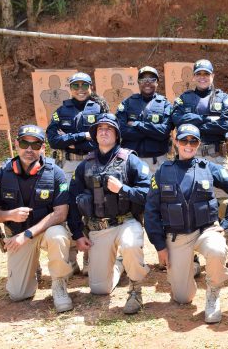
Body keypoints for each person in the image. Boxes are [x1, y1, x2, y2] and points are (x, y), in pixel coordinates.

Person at [144, 124, 228, 324]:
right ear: (176, 142)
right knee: (183, 298)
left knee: (217, 249)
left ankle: (213, 291)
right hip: (177, 236)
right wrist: (160, 246)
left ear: (198, 145)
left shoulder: (208, 168)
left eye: (193, 141)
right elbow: (151, 210)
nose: (188, 145)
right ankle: (185, 280)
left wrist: (227, 222)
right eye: (184, 140)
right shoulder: (163, 172)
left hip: (205, 229)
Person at [68, 114, 151, 315]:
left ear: (117, 135)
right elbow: (71, 201)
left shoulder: (130, 160)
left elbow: (147, 194)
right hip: (98, 228)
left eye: (109, 129)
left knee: (131, 245)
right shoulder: (84, 165)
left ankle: (135, 289)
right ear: (95, 135)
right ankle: (121, 265)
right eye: (100, 129)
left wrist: (123, 189)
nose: (104, 132)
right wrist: (78, 234)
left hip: (126, 222)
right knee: (99, 289)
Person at [0, 125, 73, 312]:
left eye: (36, 145)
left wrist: (27, 233)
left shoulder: (55, 173)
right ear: (17, 144)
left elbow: (61, 213)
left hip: (42, 232)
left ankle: (59, 285)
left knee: (58, 234)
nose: (29, 149)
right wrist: (9, 215)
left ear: (43, 148)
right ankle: (34, 270)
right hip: (17, 234)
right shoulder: (1, 174)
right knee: (18, 294)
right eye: (25, 143)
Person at [171, 59, 228, 271]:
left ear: (212, 76)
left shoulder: (223, 98)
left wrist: (195, 120)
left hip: (216, 157)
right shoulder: (184, 99)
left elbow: (224, 125)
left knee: (223, 201)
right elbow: (177, 120)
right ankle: (192, 256)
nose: (202, 77)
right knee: (189, 202)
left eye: (206, 74)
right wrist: (207, 120)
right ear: (193, 76)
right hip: (189, 155)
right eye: (199, 73)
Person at [46, 71, 108, 275]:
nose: (80, 89)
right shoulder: (61, 111)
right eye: (76, 86)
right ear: (70, 88)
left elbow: (105, 137)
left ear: (91, 87)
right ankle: (70, 259)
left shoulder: (100, 108)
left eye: (84, 85)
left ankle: (91, 258)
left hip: (93, 163)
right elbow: (53, 140)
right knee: (67, 206)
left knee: (93, 206)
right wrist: (82, 135)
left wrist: (70, 138)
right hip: (69, 165)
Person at [116, 66, 173, 175]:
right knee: (131, 191)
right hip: (131, 160)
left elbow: (164, 132)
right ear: (138, 82)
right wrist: (152, 132)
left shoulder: (165, 104)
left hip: (157, 161)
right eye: (143, 80)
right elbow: (122, 130)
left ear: (157, 83)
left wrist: (136, 124)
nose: (147, 83)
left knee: (157, 192)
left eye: (152, 79)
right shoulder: (127, 103)